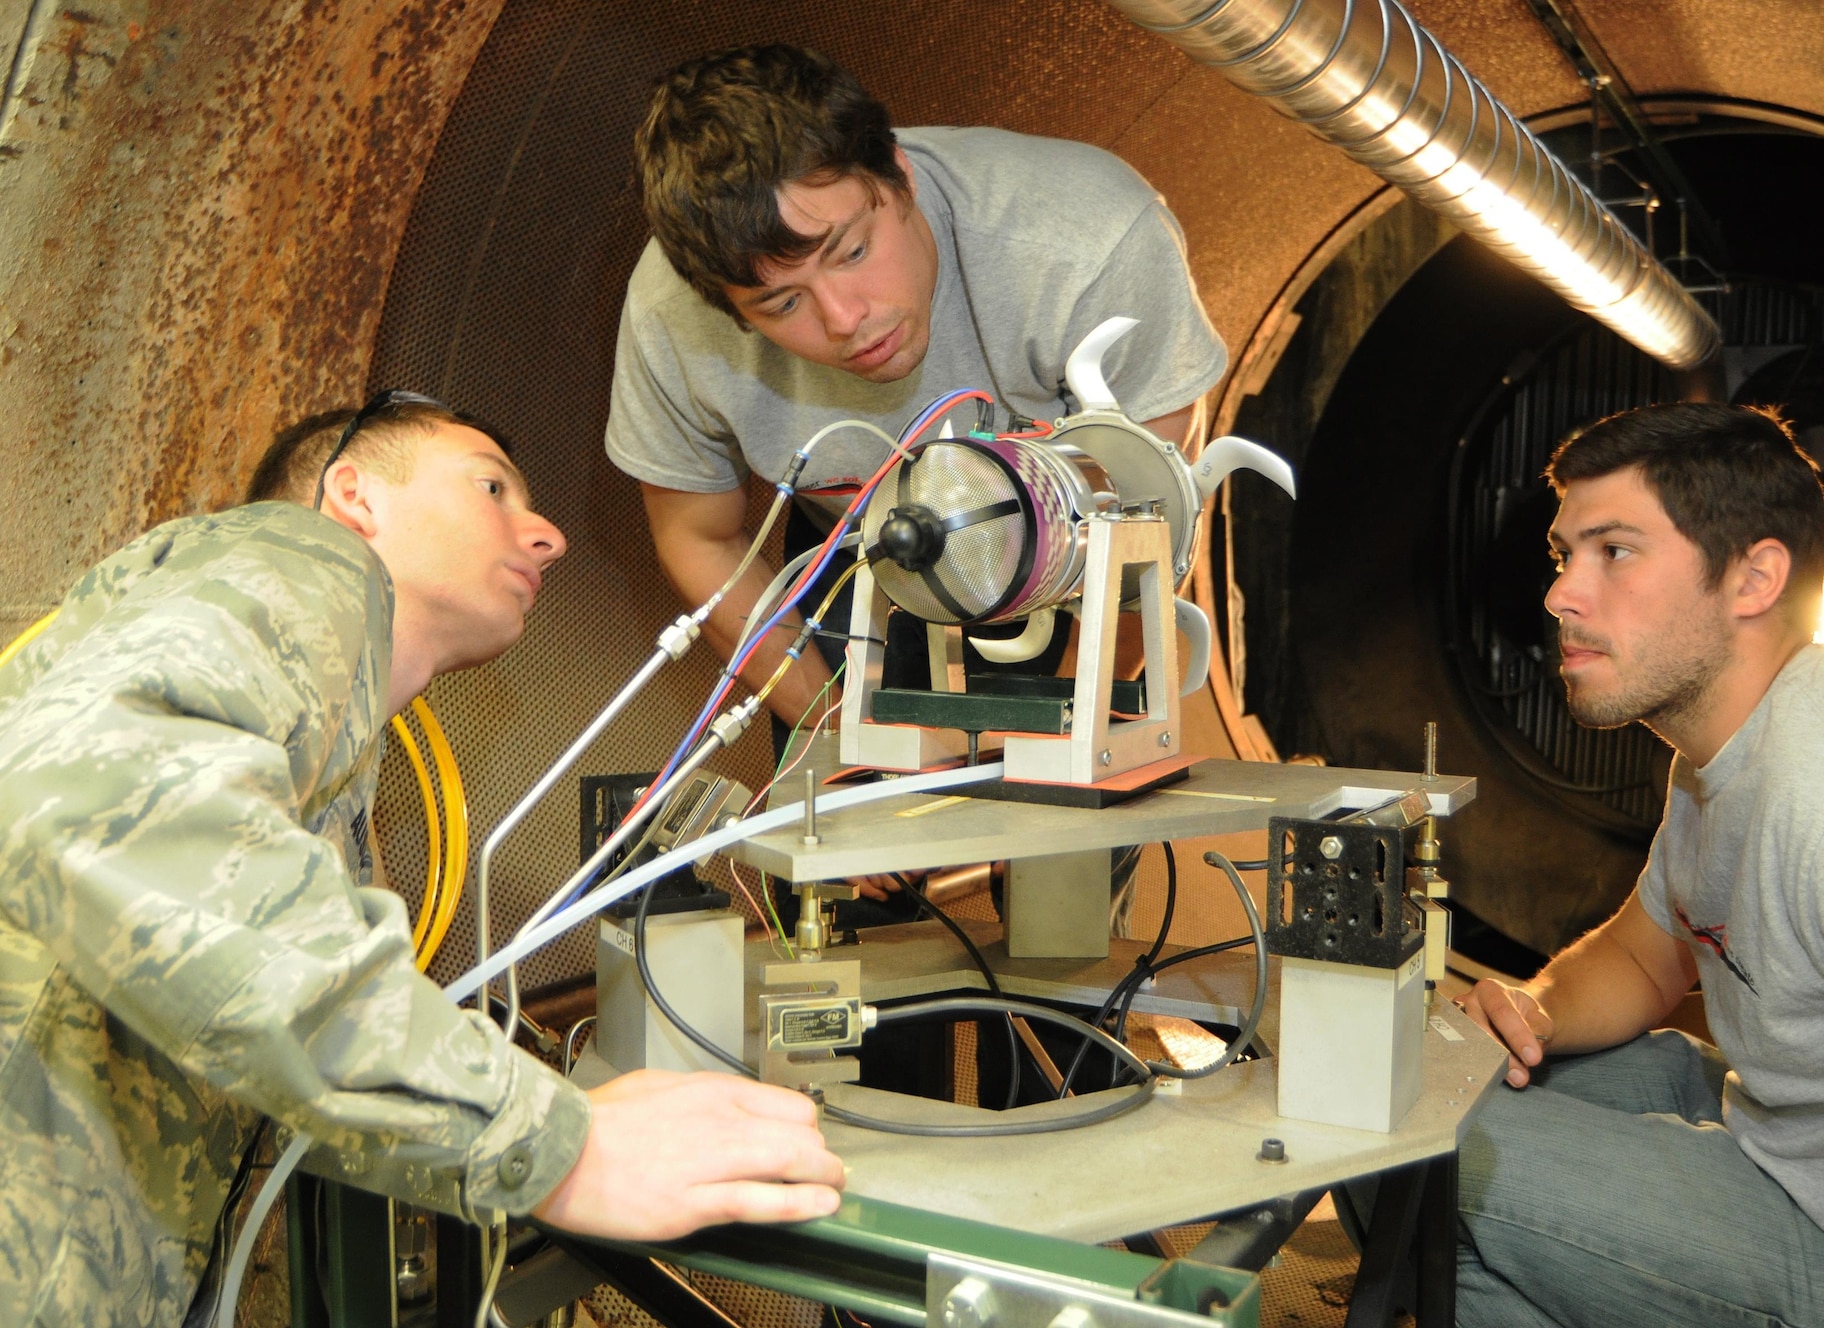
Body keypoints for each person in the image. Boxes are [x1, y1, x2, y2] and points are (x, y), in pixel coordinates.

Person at [0, 395, 843, 1328]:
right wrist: (557, 1144)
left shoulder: (326, 753)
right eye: (491, 487)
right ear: (354, 497)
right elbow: (101, 794)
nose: (551, 536)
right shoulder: (283, 563)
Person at [1453, 402, 1824, 1328]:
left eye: (1615, 552)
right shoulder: (1724, 753)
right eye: (1564, 556)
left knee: (1417, 1152)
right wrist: (1533, 1011)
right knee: (1449, 1109)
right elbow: (1642, 957)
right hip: (1795, 1148)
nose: (1561, 597)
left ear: (1752, 579)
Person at [605, 42, 1228, 738]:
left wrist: (1074, 729)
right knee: (847, 826)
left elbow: (1152, 516)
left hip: (1073, 541)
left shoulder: (1088, 239)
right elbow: (699, 538)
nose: (846, 321)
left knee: (1064, 817)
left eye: (852, 252)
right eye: (783, 305)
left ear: (898, 177)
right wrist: (834, 729)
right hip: (862, 551)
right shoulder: (670, 314)